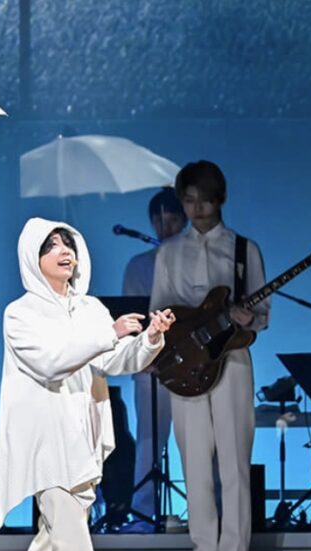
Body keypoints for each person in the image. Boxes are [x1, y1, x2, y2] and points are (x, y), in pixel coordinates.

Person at [0, 218, 174, 551]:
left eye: (68, 242)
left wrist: (150, 339)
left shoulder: (90, 309)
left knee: (55, 542)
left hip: (84, 440)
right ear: (33, 257)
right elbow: (51, 363)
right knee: (73, 545)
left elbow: (116, 361)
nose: (64, 250)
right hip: (46, 444)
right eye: (51, 245)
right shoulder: (20, 314)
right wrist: (109, 334)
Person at [150, 161, 270, 551]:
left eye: (204, 200)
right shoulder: (168, 252)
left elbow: (263, 312)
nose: (197, 208)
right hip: (185, 363)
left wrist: (249, 319)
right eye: (189, 200)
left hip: (232, 360)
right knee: (194, 459)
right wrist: (164, 349)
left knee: (235, 459)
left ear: (221, 199)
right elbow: (158, 309)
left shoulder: (243, 250)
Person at [121, 187, 187, 532]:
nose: (165, 227)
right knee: (148, 439)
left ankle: (207, 512)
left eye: (172, 220)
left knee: (196, 441)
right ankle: (143, 514)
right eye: (159, 221)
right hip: (152, 367)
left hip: (191, 366)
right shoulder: (140, 265)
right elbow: (132, 314)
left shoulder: (196, 263)